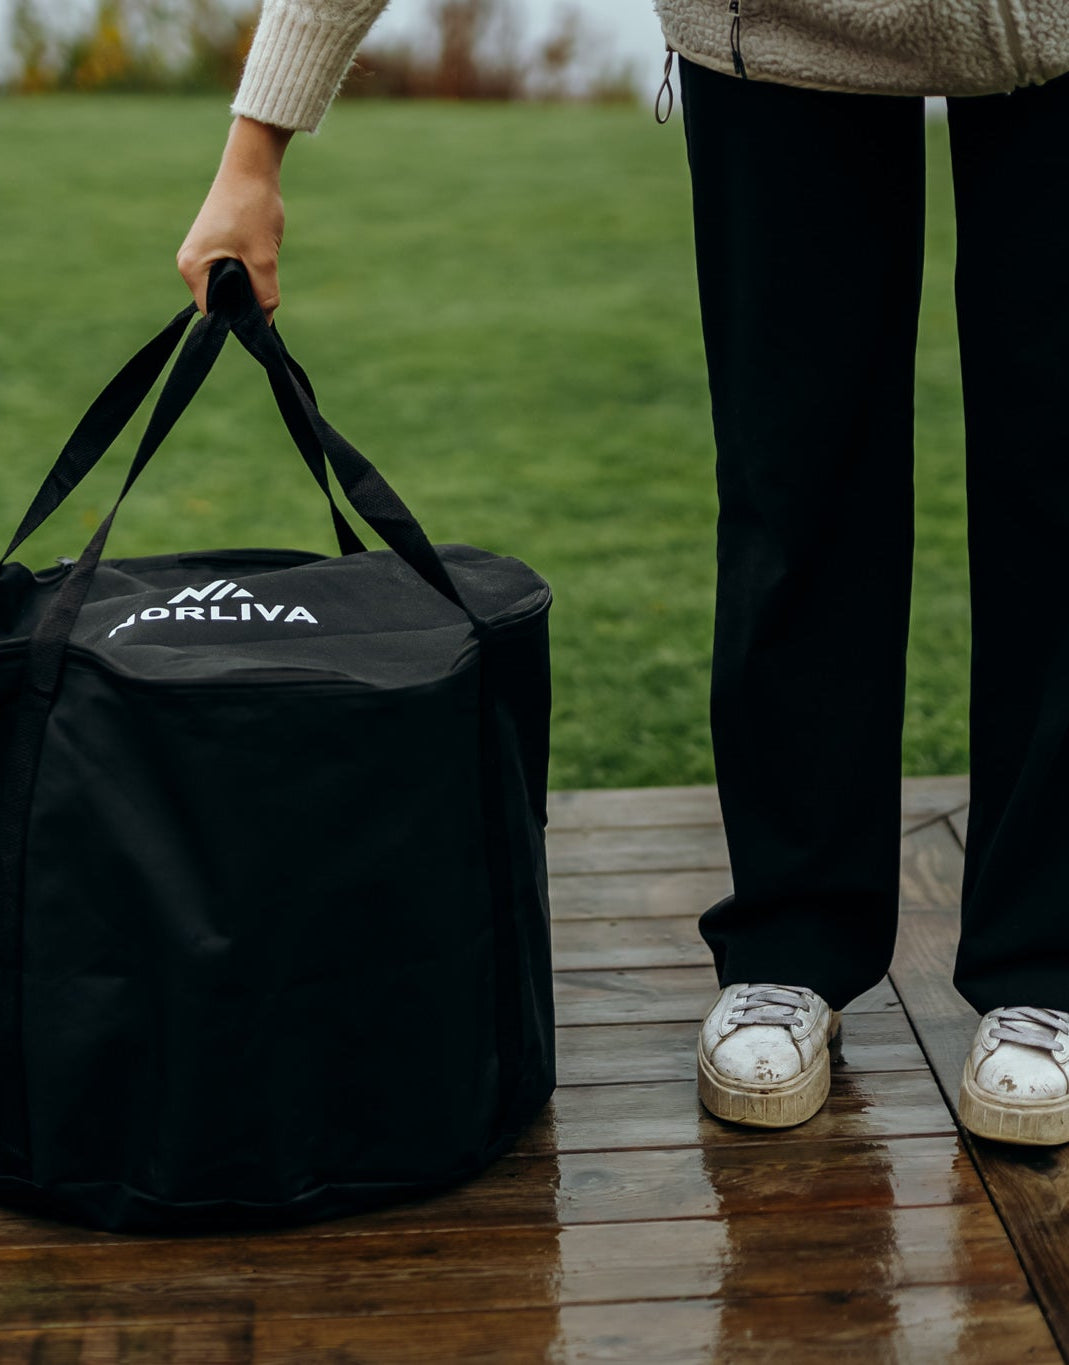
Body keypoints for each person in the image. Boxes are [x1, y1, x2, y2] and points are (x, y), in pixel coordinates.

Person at [177, 0, 1069, 1145]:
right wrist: (254, 147)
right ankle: (792, 945)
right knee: (795, 492)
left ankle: (1047, 962)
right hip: (779, 39)